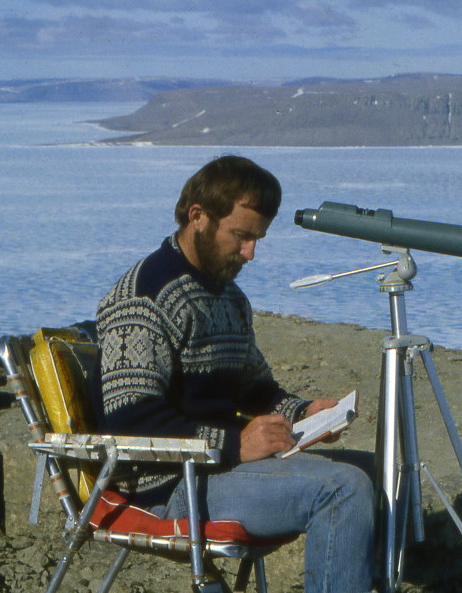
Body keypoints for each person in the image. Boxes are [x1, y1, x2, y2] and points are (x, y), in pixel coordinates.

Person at [94, 155, 375, 593]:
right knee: (343, 489)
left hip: (219, 469)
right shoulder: (144, 298)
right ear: (198, 217)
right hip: (166, 485)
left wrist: (306, 415)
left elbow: (256, 389)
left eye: (257, 239)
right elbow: (129, 421)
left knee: (384, 472)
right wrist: (234, 443)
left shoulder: (228, 297)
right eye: (241, 237)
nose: (250, 253)